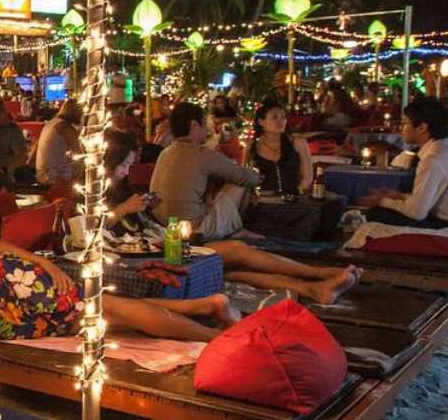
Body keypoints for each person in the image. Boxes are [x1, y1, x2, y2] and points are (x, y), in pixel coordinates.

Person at [0, 182, 238, 342]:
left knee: (102, 311)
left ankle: (209, 328)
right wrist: (42, 263)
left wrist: (38, 266)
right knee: (103, 315)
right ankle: (208, 314)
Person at [104, 131, 358, 305]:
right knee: (236, 253)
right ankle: (320, 275)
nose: (128, 171)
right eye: (124, 165)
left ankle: (315, 286)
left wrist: (144, 206)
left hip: (160, 245)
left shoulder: (119, 187)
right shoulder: (88, 192)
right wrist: (122, 210)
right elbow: (82, 234)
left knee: (231, 270)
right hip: (144, 259)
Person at [149, 102, 262, 241]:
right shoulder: (201, 154)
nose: (207, 130)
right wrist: (260, 175)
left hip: (165, 226)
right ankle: (235, 230)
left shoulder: (165, 153)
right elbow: (244, 176)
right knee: (239, 184)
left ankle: (232, 229)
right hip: (194, 231)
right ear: (194, 125)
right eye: (204, 124)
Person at [359, 97, 448, 227]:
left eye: (405, 123)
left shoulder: (433, 158)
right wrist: (400, 196)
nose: (401, 128)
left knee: (377, 214)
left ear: (422, 127)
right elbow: (423, 201)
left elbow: (417, 212)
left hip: (443, 223)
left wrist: (382, 201)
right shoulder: (441, 148)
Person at [244, 100, 313, 194]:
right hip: (263, 200)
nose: (280, 121)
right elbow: (245, 178)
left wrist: (295, 196)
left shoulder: (298, 143)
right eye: (274, 117)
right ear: (261, 122)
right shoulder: (251, 147)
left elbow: (307, 178)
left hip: (293, 200)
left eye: (283, 117)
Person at [35, 100, 82, 186]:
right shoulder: (66, 127)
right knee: (85, 169)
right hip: (53, 175)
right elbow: (78, 153)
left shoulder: (51, 122)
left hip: (41, 172)